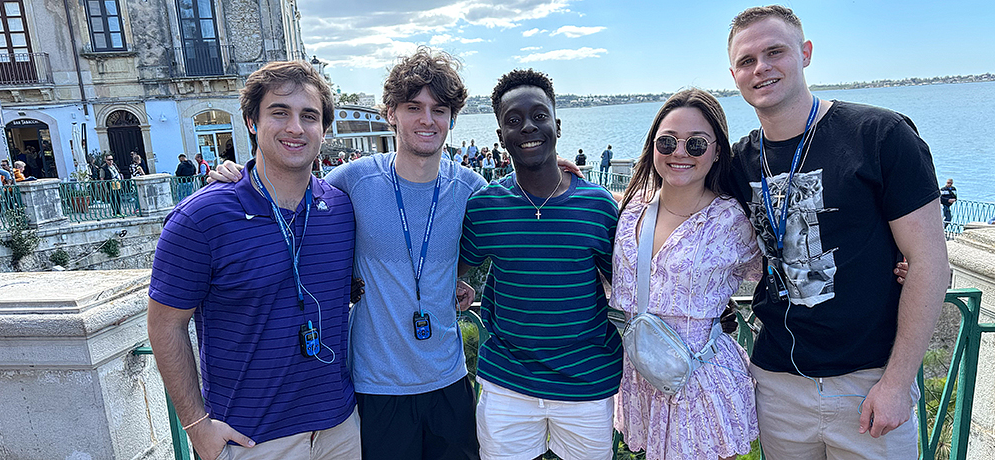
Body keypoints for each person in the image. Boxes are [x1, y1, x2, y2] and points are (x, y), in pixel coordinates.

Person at [209, 47, 484, 460]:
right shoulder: (352, 180)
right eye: (413, 107)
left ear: (452, 118)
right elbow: (290, 193)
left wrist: (553, 169)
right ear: (391, 112)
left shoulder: (472, 189)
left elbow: (520, 216)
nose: (427, 120)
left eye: (439, 109)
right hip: (374, 388)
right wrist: (238, 174)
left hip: (449, 381)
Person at [726, 6, 949, 458]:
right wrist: (562, 178)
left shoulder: (880, 135)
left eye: (775, 52)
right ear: (734, 75)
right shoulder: (739, 162)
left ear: (805, 54)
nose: (761, 68)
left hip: (868, 382)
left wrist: (897, 382)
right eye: (747, 61)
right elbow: (675, 200)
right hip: (778, 383)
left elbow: (929, 262)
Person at [146, 60, 360, 460]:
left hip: (340, 430)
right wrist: (196, 427)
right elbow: (164, 326)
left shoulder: (342, 208)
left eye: (309, 116)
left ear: (323, 130)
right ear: (251, 121)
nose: (295, 128)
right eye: (280, 112)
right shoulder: (202, 218)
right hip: (251, 440)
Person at [459, 69, 621, 460]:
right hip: (507, 383)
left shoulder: (597, 204)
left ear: (557, 124)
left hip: (587, 381)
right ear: (501, 137)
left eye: (539, 116)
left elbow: (626, 282)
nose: (528, 127)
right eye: (513, 121)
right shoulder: (484, 207)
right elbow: (449, 270)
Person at [612, 89, 759, 459]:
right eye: (667, 142)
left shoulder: (731, 220)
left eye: (695, 144)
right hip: (643, 372)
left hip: (701, 380)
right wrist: (561, 178)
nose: (680, 153)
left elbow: (782, 269)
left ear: (716, 151)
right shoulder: (630, 210)